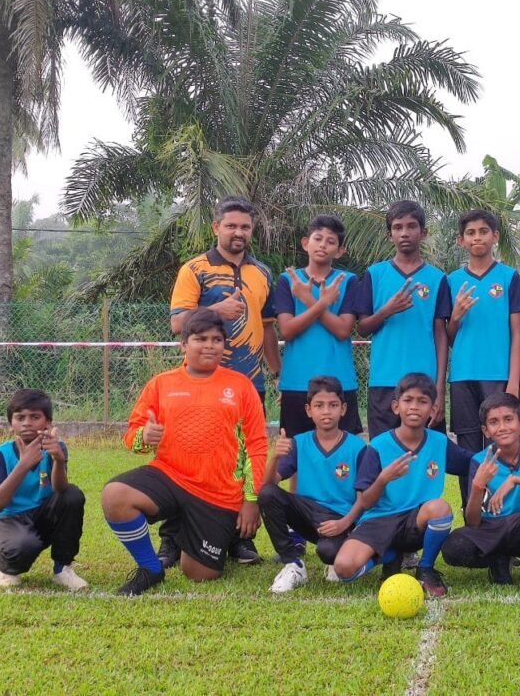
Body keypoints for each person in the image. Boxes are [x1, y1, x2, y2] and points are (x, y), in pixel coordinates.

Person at [101, 309, 269, 596]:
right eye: (200, 339)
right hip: (171, 476)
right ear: (183, 345)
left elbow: (257, 445)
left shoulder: (241, 386)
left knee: (200, 574)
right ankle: (151, 568)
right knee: (115, 495)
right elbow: (132, 437)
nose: (209, 345)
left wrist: (251, 500)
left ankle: (197, 534)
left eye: (217, 339)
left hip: (218, 493)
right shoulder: (161, 384)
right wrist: (145, 436)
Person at [166, 196, 280, 566]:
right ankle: (173, 538)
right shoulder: (195, 269)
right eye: (231, 225)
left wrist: (276, 371)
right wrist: (216, 309)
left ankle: (239, 540)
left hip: (249, 384)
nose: (238, 232)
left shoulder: (262, 273)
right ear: (216, 227)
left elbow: (266, 327)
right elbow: (178, 323)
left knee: (243, 459)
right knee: (189, 458)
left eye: (245, 227)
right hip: (199, 385)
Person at [333, 373, 471, 597]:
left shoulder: (439, 442)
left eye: (422, 401)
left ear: (433, 409)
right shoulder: (378, 446)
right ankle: (389, 556)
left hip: (415, 523)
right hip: (379, 521)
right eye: (408, 400)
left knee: (440, 508)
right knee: (344, 569)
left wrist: (508, 448)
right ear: (396, 407)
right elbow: (365, 502)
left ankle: (425, 569)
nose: (414, 407)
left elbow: (472, 463)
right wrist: (383, 479)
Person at [441, 392, 520, 597]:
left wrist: (516, 479)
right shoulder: (480, 461)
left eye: (508, 419)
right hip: (493, 529)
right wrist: (478, 485)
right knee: (453, 547)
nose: (502, 427)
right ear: (486, 431)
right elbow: (473, 522)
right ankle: (498, 559)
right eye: (494, 422)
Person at [446, 209, 520, 508]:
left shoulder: (508, 278)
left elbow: (518, 334)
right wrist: (456, 316)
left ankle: (504, 514)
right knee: (469, 450)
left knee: (502, 445)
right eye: (470, 233)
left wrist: (514, 382)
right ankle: (472, 517)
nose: (477, 237)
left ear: (495, 236)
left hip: (498, 376)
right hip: (462, 377)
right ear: (461, 240)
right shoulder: (452, 281)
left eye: (483, 231)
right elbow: (449, 336)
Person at [259, 376, 368, 593]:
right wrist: (275, 457)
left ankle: (337, 556)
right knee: (268, 494)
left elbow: (365, 499)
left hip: (339, 519)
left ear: (343, 409)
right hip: (306, 513)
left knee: (328, 552)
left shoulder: (358, 447)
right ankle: (293, 564)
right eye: (319, 405)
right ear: (309, 410)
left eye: (333, 405)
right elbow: (268, 485)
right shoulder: (299, 442)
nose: (326, 411)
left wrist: (345, 523)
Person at [355, 201, 451, 438]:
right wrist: (387, 310)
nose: (404, 233)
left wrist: (439, 387)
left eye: (411, 226)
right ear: (390, 235)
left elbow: (440, 333)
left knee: (427, 454)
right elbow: (362, 328)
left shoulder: (437, 279)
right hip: (384, 381)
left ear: (423, 232)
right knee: (384, 453)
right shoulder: (375, 275)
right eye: (398, 227)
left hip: (425, 383)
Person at [0, 389, 87, 591]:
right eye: (20, 417)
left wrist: (58, 459)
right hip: (8, 519)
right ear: (11, 423)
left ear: (48, 423)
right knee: (24, 546)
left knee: (72, 495)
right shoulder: (1, 453)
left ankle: (62, 569)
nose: (27, 423)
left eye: (35, 417)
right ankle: (5, 567)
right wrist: (23, 465)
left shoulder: (56, 447)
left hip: (41, 516)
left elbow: (61, 490)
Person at [275, 215, 362, 437]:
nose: (323, 245)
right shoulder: (288, 280)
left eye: (331, 241)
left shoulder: (348, 281)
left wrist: (308, 300)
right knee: (296, 451)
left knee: (343, 451)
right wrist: (322, 303)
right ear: (306, 243)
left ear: (340, 251)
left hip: (339, 381)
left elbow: (342, 330)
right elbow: (287, 330)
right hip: (297, 381)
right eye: (318, 238)